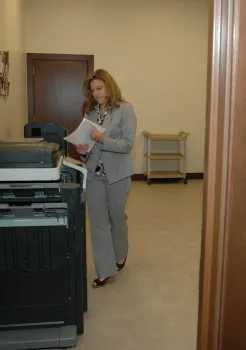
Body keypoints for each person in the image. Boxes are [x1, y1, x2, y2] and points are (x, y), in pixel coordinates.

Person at [76, 69, 137, 288]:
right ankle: (105, 271)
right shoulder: (90, 113)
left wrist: (103, 139)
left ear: (109, 86)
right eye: (93, 91)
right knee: (98, 223)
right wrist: (83, 151)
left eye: (99, 89)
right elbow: (87, 147)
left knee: (117, 218)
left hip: (118, 175)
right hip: (94, 175)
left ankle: (120, 254)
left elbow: (128, 145)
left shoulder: (125, 110)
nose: (96, 94)